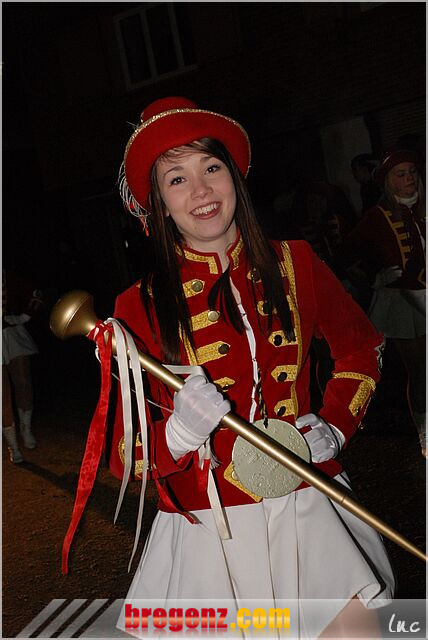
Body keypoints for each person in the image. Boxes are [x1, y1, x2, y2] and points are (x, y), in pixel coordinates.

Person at [66, 97, 396, 638]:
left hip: (308, 502)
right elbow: (127, 456)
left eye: (211, 168)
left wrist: (335, 426)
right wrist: (177, 435)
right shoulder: (136, 306)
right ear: (158, 205)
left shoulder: (297, 263)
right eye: (177, 179)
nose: (200, 190)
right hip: (209, 530)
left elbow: (362, 349)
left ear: (235, 180)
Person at [340, 149, 426, 458]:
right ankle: (425, 432)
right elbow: (347, 252)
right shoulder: (378, 216)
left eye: (412, 172)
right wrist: (374, 277)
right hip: (401, 300)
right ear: (389, 182)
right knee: (419, 370)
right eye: (401, 174)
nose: (409, 178)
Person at [2, 269, 41, 462]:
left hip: (11, 331)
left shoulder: (6, 273)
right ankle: (13, 445)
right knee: (2, 393)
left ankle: (26, 429)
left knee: (24, 382)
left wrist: (23, 317)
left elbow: (36, 294)